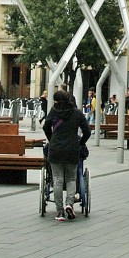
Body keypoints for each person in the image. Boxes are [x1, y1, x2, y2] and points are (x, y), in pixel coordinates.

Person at [42, 90, 90, 222]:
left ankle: (60, 211)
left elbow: (46, 127)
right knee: (71, 179)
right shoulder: (77, 113)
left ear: (56, 100)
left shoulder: (53, 111)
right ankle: (69, 204)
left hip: (56, 149)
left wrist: (52, 139)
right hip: (72, 149)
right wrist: (80, 143)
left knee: (57, 179)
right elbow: (87, 132)